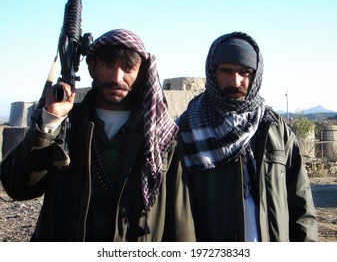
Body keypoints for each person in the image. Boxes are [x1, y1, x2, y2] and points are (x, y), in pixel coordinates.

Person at [0, 29, 195, 242]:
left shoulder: (162, 135)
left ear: (141, 73)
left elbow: (179, 221)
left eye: (128, 68)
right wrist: (49, 123)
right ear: (92, 67)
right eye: (108, 65)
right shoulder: (65, 125)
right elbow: (18, 188)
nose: (116, 77)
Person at [178, 32, 318, 242]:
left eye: (245, 72)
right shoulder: (187, 129)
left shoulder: (274, 128)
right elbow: (175, 211)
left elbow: (301, 206)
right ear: (212, 72)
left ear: (255, 75)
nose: (236, 81)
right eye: (226, 71)